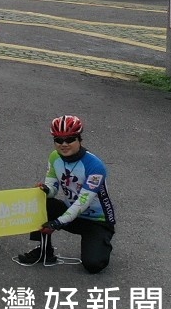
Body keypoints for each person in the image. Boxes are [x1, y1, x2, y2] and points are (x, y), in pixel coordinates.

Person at [15, 115, 115, 272]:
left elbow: (83, 202)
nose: (64, 144)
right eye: (58, 140)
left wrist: (58, 223)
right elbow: (52, 186)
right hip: (72, 214)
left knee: (93, 265)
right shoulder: (54, 157)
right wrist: (46, 190)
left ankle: (100, 242)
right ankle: (44, 251)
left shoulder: (96, 166)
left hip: (97, 220)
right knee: (40, 200)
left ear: (80, 139)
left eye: (70, 139)